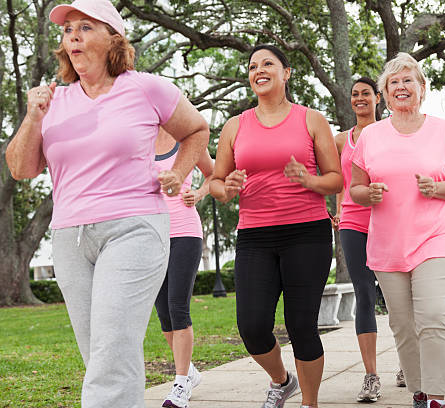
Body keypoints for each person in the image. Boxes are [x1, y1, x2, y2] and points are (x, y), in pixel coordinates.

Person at [5, 1, 209, 407]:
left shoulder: (146, 87)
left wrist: (177, 172)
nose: (73, 35)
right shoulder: (53, 101)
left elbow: (197, 130)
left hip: (134, 228)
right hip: (71, 237)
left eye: (85, 26)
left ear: (112, 37)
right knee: (99, 351)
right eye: (67, 30)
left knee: (113, 345)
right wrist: (32, 118)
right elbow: (21, 168)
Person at [209, 44, 342, 408]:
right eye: (253, 66)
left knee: (301, 326)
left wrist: (310, 181)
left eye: (268, 63)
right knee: (252, 326)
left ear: (286, 73)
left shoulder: (310, 119)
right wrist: (227, 189)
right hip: (255, 235)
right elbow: (217, 182)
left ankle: (309, 403)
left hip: (307, 233)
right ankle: (281, 380)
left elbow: (336, 179)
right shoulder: (235, 126)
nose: (258, 70)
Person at [349, 52, 445, 408]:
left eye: (408, 80)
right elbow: (355, 189)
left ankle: (436, 397)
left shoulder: (444, 131)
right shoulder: (370, 136)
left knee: (434, 316)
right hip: (387, 245)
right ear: (384, 94)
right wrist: (368, 194)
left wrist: (437, 188)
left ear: (422, 88)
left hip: (436, 238)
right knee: (403, 325)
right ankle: (419, 391)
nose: (401, 87)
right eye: (393, 82)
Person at [333, 77, 385, 402]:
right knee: (364, 294)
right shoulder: (341, 139)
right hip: (352, 222)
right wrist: (337, 209)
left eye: (366, 93)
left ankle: (408, 362)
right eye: (355, 94)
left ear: (378, 98)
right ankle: (371, 375)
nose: (360, 98)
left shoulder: (389, 133)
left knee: (396, 297)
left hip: (387, 220)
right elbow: (340, 178)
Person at [153, 128, 214, 408]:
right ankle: (188, 371)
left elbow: (215, 175)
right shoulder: (140, 139)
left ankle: (180, 384)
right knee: (163, 311)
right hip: (151, 235)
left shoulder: (189, 143)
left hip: (184, 231)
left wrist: (198, 193)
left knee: (178, 306)